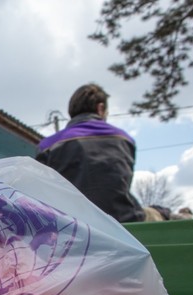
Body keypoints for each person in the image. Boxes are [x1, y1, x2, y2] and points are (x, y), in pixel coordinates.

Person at [36, 83, 146, 223]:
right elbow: (122, 184)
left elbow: (41, 193)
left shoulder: (48, 145)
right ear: (100, 108)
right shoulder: (124, 139)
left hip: (70, 226)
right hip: (122, 222)